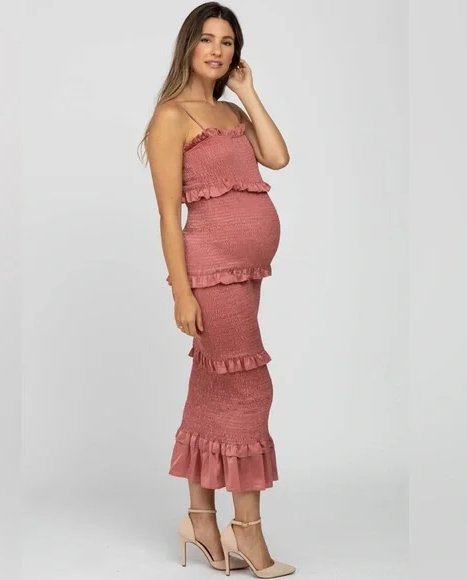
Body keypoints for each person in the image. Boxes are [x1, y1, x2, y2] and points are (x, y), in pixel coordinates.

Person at [140, 3, 295, 577]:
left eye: (227, 42)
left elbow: (277, 156)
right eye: (207, 39)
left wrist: (248, 93)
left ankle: (200, 521)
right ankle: (247, 534)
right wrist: (181, 292)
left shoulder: (230, 112)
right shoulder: (171, 116)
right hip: (208, 274)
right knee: (249, 387)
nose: (217, 50)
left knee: (213, 387)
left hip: (245, 275)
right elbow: (167, 214)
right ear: (188, 46)